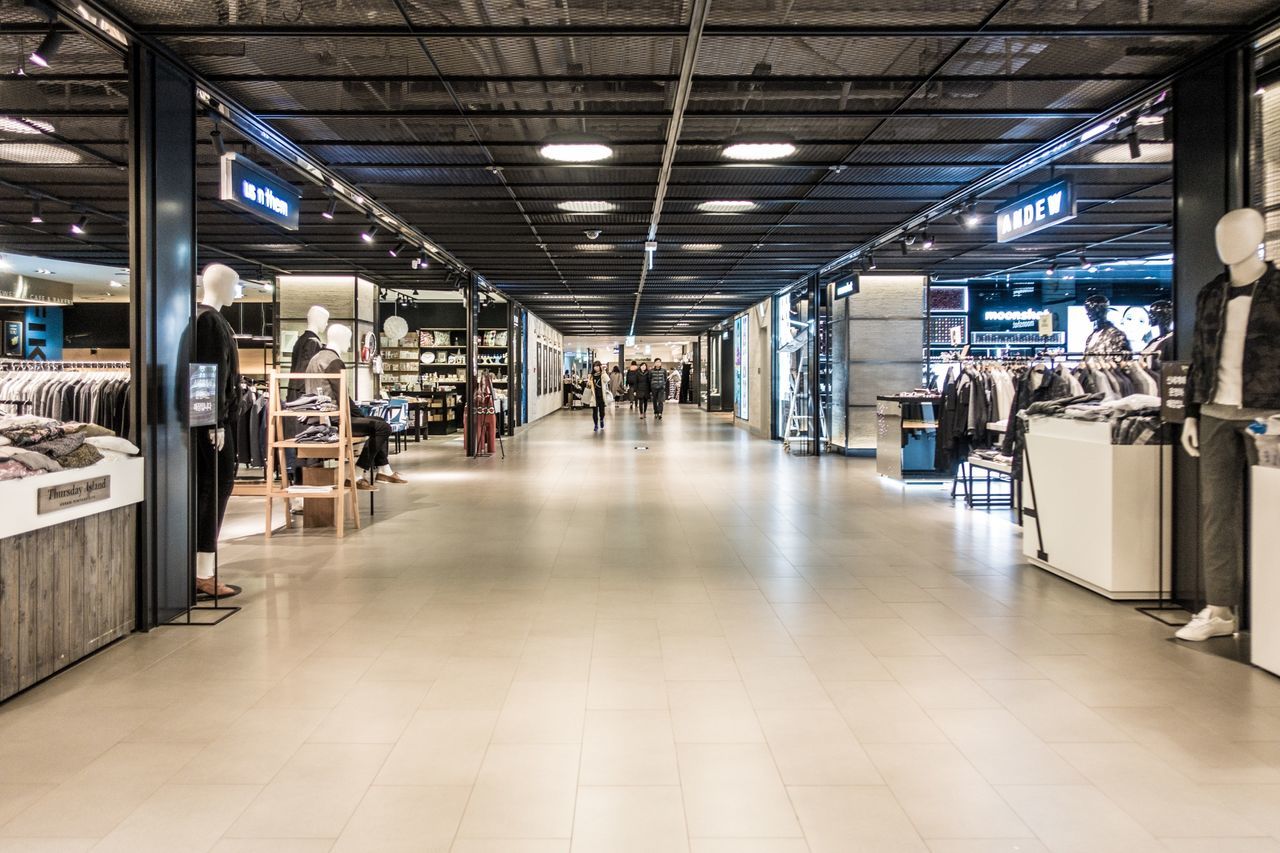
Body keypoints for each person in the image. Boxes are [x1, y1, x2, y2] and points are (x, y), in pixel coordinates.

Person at [585, 363, 607, 431]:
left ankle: (601, 420)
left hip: (601, 396)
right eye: (595, 366)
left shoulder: (602, 374)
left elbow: (606, 380)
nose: (596, 368)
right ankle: (596, 425)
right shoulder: (591, 376)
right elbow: (588, 385)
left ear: (600, 367)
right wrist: (588, 382)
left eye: (597, 366)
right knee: (594, 412)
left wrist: (603, 371)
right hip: (593, 396)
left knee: (602, 412)